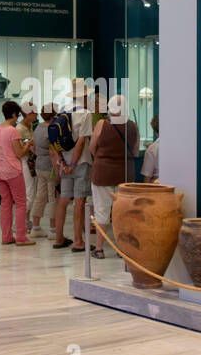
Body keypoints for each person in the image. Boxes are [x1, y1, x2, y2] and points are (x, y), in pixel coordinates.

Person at [89, 95, 139, 259]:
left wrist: (103, 158)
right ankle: (122, 248)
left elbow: (92, 147)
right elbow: (136, 150)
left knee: (101, 210)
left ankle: (99, 248)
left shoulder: (102, 124)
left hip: (103, 173)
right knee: (123, 212)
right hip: (125, 173)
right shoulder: (133, 126)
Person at [52, 79, 93, 251]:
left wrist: (63, 162)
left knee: (63, 199)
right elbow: (82, 142)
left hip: (64, 162)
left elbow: (55, 139)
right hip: (80, 162)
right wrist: (73, 164)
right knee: (79, 201)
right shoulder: (85, 113)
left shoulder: (62, 111)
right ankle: (78, 241)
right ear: (84, 95)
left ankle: (59, 238)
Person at [0, 100, 34, 246]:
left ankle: (6, 236)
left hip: (0, 170)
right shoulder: (13, 131)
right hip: (13, 171)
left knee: (5, 204)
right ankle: (22, 237)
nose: (18, 118)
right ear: (13, 114)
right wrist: (28, 144)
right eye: (17, 115)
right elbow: (20, 153)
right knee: (21, 203)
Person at [30, 104, 58, 238]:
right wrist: (57, 170)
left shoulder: (38, 127)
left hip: (39, 164)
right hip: (50, 166)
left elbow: (33, 148)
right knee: (53, 198)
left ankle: (35, 227)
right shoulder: (53, 129)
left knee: (40, 196)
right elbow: (53, 153)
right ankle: (53, 229)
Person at [18, 100, 41, 239]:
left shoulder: (30, 125)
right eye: (34, 112)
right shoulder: (20, 129)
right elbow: (21, 148)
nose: (36, 114)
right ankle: (23, 222)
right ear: (28, 113)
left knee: (31, 192)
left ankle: (25, 221)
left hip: (31, 161)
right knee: (29, 193)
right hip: (25, 162)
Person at [141, 114, 160, 184]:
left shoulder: (152, 150)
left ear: (155, 131)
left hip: (157, 189)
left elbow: (147, 177)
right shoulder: (177, 146)